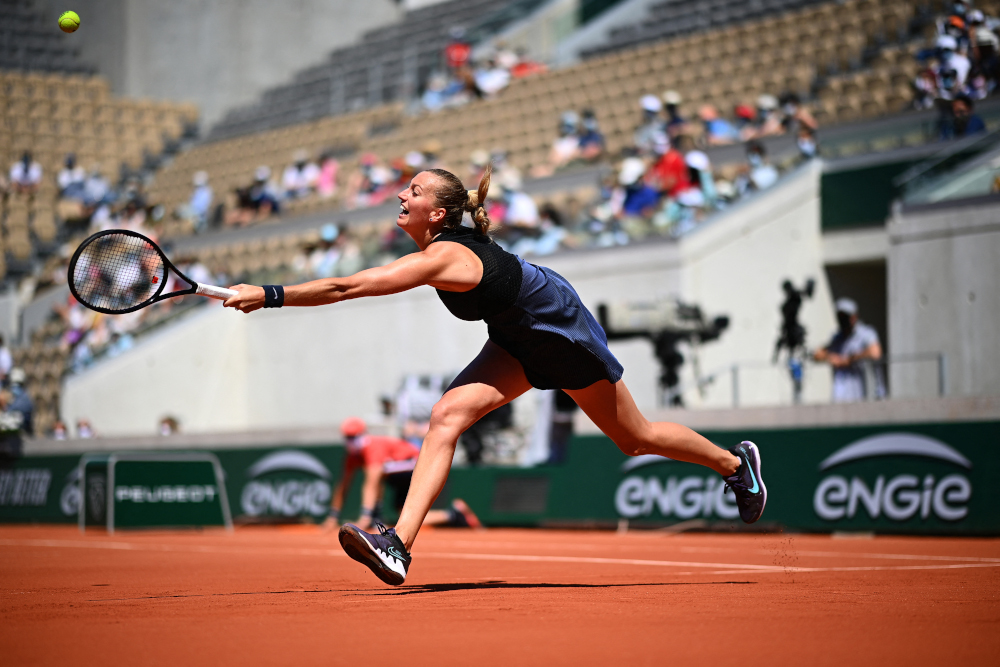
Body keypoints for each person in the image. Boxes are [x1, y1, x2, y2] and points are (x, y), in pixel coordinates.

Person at [223, 164, 766, 586]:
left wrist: (269, 294)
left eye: (414, 190)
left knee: (634, 438)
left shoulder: (444, 256)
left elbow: (348, 286)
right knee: (446, 416)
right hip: (514, 337)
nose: (401, 195)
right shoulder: (440, 249)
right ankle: (398, 546)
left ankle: (734, 464)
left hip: (557, 329)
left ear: (438, 213)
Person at [324, 417, 481, 531]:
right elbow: (343, 485)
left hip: (416, 464)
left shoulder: (373, 446)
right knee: (406, 517)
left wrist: (364, 517)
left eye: (353, 437)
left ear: (363, 434)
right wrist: (333, 516)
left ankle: (373, 517)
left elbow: (371, 483)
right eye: (347, 437)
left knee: (376, 473)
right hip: (400, 472)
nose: (350, 441)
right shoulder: (352, 456)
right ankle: (454, 514)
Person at [813, 298, 884, 403]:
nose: (842, 320)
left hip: (864, 395)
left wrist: (850, 359)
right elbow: (817, 354)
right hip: (840, 397)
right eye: (840, 317)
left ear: (854, 317)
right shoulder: (837, 337)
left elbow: (875, 352)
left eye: (845, 317)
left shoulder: (866, 333)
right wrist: (831, 357)